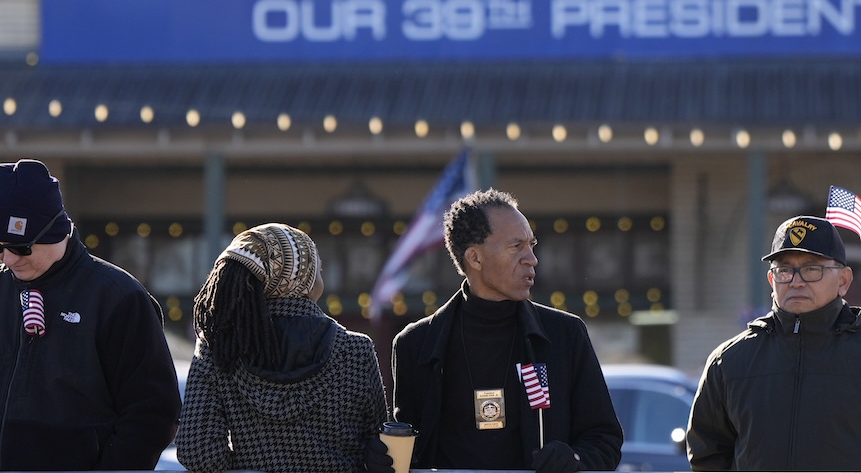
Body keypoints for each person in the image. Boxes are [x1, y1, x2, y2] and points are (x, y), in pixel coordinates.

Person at [686, 214, 861, 471]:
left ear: (844, 280)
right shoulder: (729, 361)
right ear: (772, 280)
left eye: (812, 269)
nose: (796, 282)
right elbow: (706, 455)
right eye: (785, 270)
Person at [375, 188, 622, 473]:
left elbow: (605, 440)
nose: (532, 259)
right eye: (516, 246)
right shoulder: (415, 344)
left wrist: (574, 459)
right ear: (475, 258)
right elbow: (409, 452)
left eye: (531, 245)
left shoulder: (566, 335)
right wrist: (382, 458)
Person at [0, 158, 181, 470]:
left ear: (53, 231)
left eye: (20, 247)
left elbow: (153, 411)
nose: (9, 259)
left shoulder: (118, 297)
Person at [176, 222, 388, 473]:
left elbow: (196, 452)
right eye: (318, 270)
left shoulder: (218, 349)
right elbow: (380, 448)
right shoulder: (356, 350)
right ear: (304, 280)